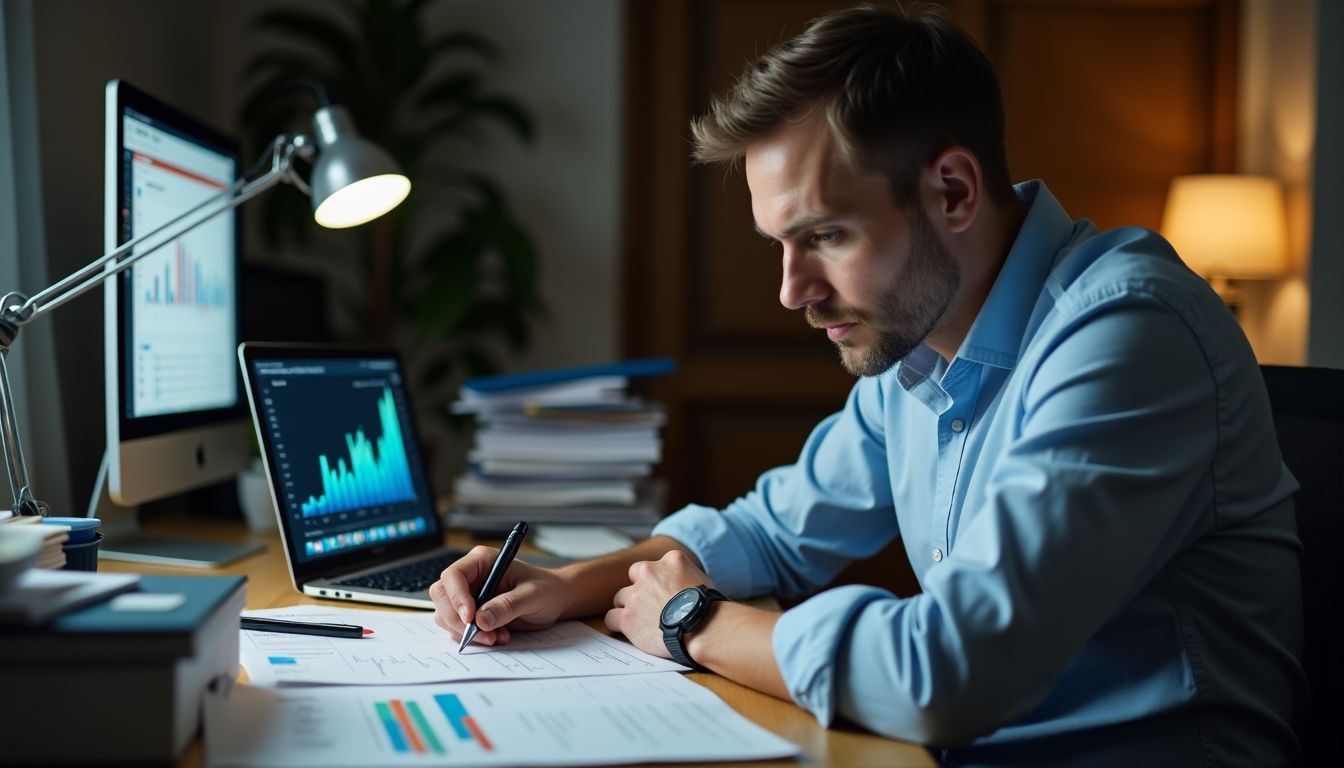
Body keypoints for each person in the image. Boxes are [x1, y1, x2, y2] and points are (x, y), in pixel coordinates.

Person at [431, 3, 1305, 764]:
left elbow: (950, 674)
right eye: (779, 243)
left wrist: (693, 621)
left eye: (827, 236)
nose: (791, 291)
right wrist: (559, 584)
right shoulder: (919, 349)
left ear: (953, 190)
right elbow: (769, 536)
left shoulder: (1127, 335)